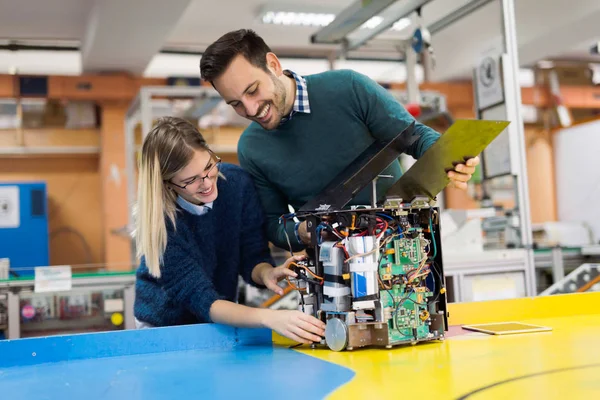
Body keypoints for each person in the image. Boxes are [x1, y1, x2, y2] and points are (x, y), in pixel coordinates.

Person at [199, 29, 480, 252]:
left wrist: (450, 158)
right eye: (236, 103)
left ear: (272, 65)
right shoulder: (251, 148)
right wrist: (301, 233)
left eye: (253, 90)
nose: (250, 109)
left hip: (401, 251)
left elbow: (417, 137)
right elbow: (274, 227)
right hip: (332, 271)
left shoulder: (348, 88)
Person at [133, 116, 325, 344]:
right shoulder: (163, 227)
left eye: (208, 166)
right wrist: (270, 318)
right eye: (191, 180)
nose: (206, 183)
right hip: (164, 328)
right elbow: (205, 302)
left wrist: (266, 273)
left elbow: (252, 256)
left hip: (218, 319)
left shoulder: (237, 184)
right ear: (168, 184)